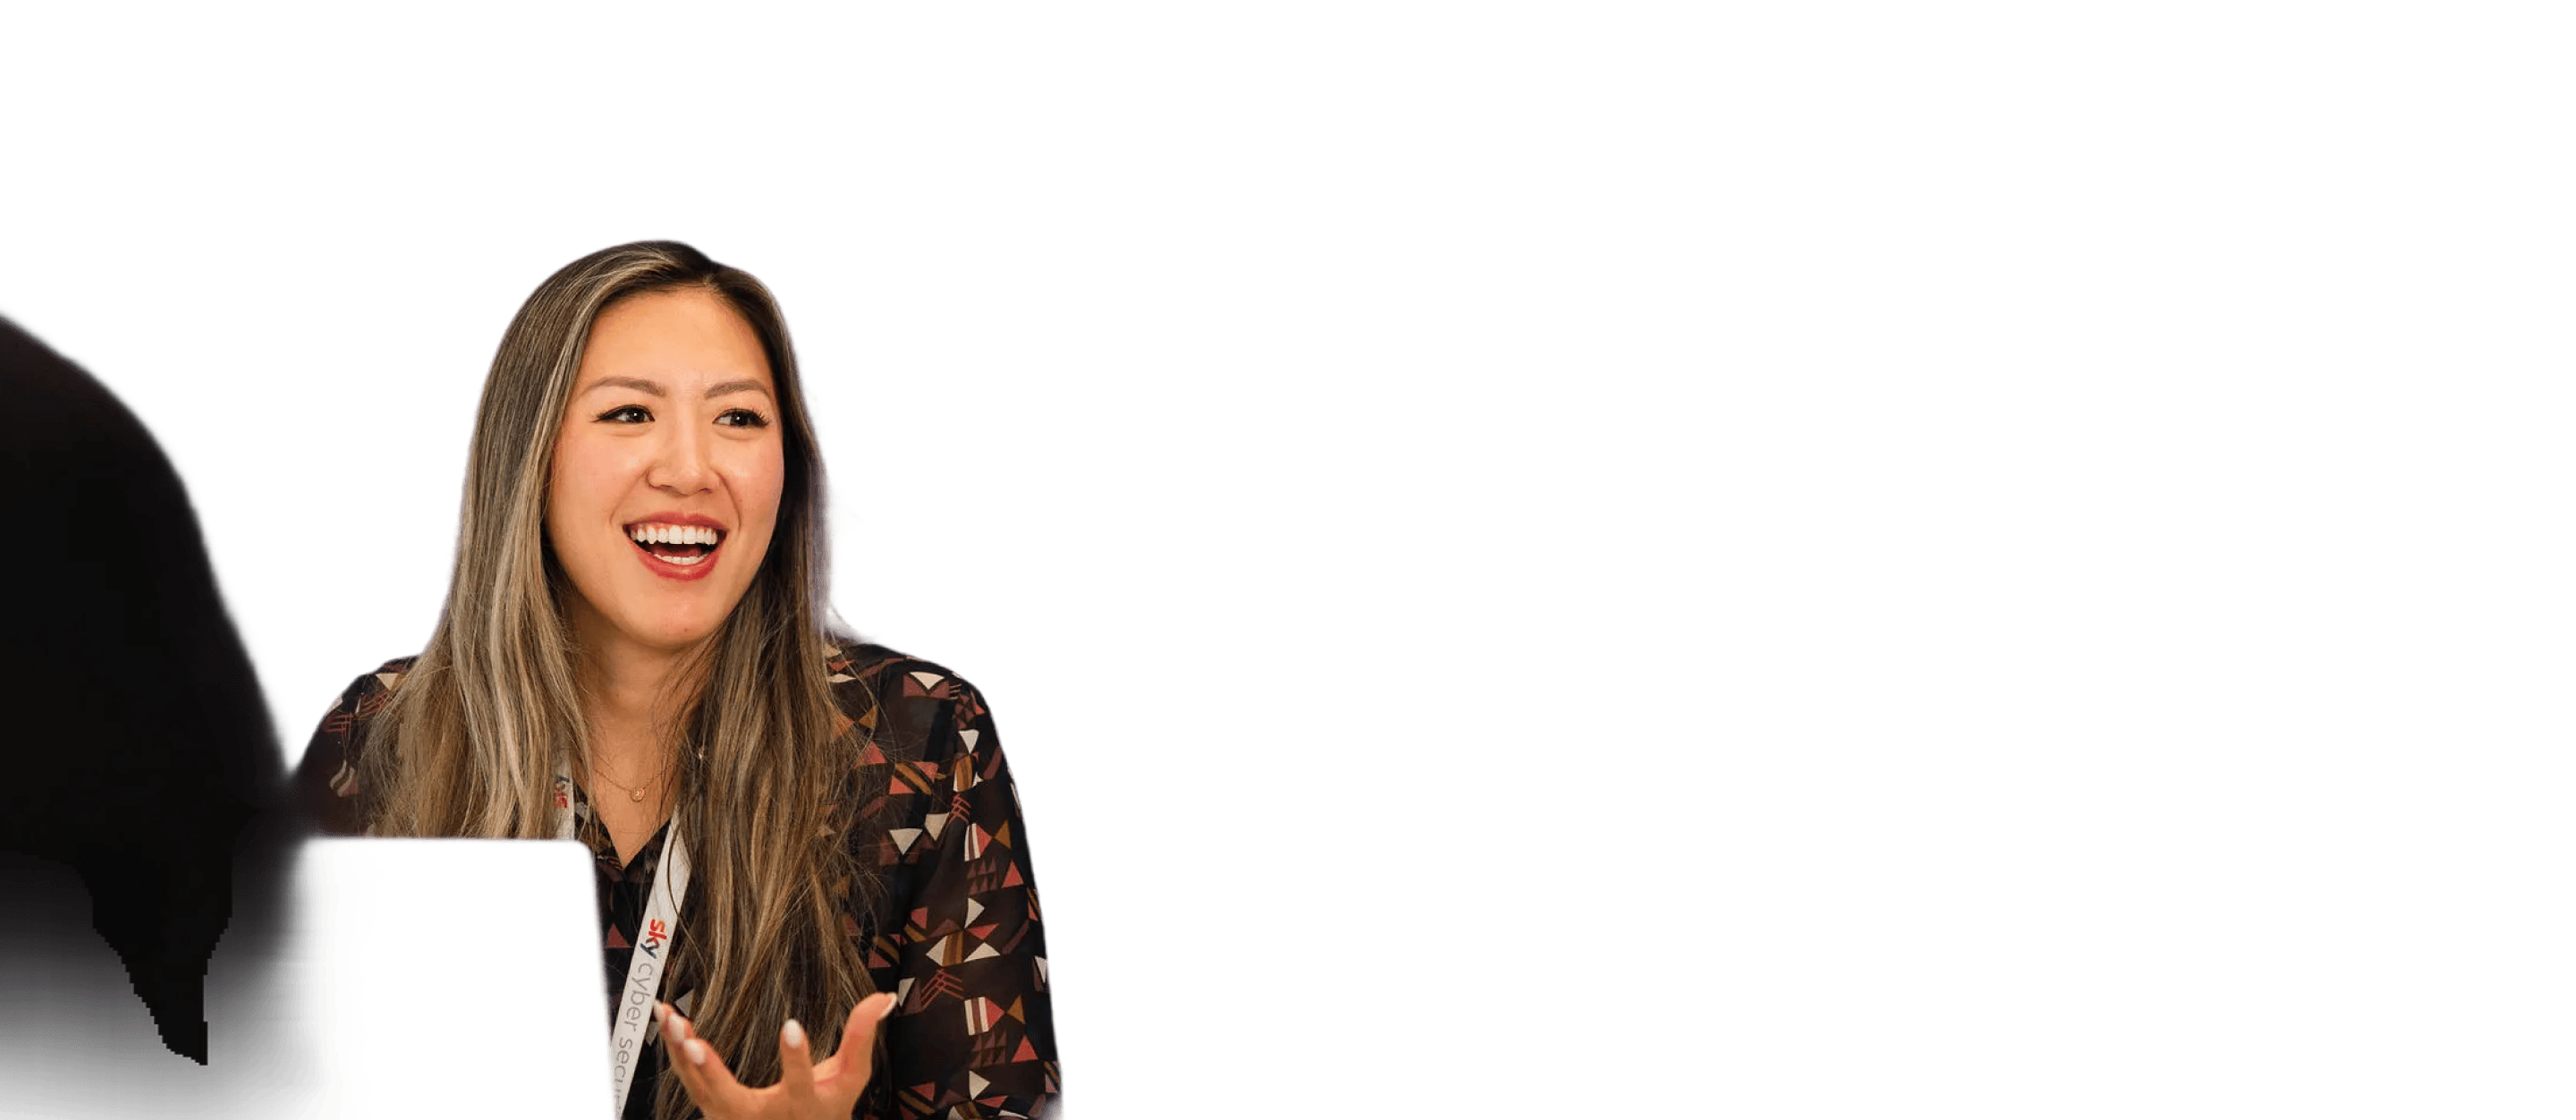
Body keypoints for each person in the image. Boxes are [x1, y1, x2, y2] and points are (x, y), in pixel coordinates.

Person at [292, 238, 1065, 1120]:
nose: (691, 470)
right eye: (629, 414)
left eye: (739, 418)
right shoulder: (380, 732)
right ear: (528, 456)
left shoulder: (919, 738)